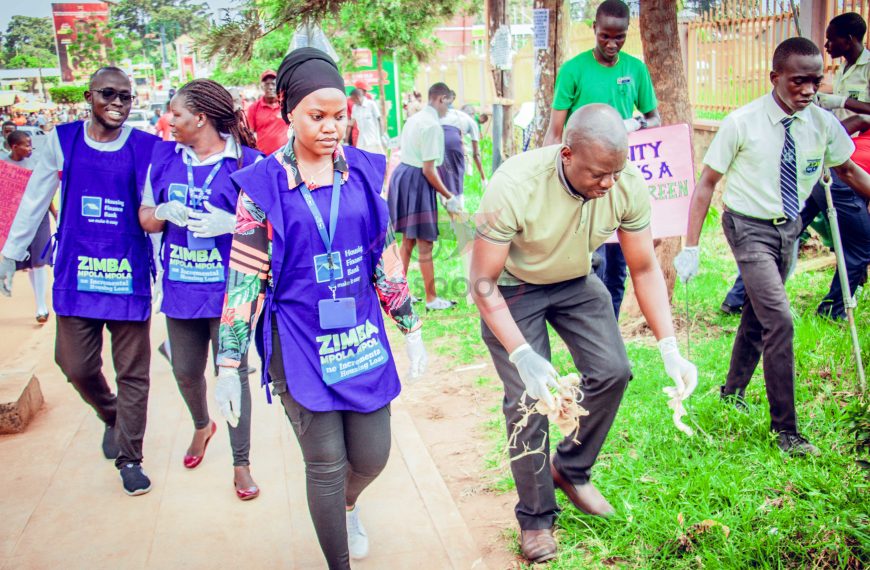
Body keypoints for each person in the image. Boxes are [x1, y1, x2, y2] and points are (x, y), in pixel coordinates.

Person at [214, 48, 428, 569]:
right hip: (298, 343)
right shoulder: (262, 188)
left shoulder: (361, 173)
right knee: (326, 465)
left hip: (359, 338)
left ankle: (348, 504)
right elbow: (243, 278)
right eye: (317, 115)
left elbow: (382, 257)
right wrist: (228, 363)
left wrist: (410, 326)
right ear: (288, 111)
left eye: (339, 115)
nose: (331, 127)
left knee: (372, 455)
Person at [471, 104, 696, 564]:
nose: (609, 184)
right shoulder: (515, 185)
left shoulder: (623, 182)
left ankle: (571, 469)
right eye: (598, 174)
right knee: (529, 400)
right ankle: (536, 518)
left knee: (614, 370)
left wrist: (669, 346)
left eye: (616, 172)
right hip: (512, 287)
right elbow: (482, 283)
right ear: (567, 153)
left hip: (574, 279)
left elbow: (644, 266)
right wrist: (522, 355)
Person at [674, 38, 870, 457]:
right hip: (747, 227)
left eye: (816, 81)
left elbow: (850, 171)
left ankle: (732, 390)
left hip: (790, 229)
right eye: (799, 81)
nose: (809, 90)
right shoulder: (742, 122)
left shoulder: (821, 124)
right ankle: (787, 432)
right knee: (779, 319)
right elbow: (706, 183)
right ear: (775, 78)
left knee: (758, 313)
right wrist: (690, 246)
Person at [0, 67, 159, 495]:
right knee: (74, 364)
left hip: (126, 275)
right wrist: (11, 253)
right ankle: (111, 414)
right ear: (89, 96)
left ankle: (131, 458)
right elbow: (35, 199)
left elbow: (155, 207)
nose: (118, 104)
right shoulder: (61, 140)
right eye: (109, 94)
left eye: (126, 97)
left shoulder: (146, 147)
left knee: (133, 373)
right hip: (76, 272)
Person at [138, 79, 262, 500]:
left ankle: (241, 463)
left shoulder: (247, 161)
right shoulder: (164, 157)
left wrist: (232, 224)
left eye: (176, 114)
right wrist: (161, 212)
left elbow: (273, 225)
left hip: (231, 293)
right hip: (181, 289)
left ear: (201, 117)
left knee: (232, 376)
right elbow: (145, 218)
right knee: (186, 371)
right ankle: (200, 425)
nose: (169, 121)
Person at [721, 12, 870, 320]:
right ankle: (832, 310)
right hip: (827, 166)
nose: (827, 44)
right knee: (853, 243)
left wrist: (835, 110)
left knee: (790, 230)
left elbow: (855, 120)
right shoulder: (842, 70)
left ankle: (739, 298)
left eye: (832, 39)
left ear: (850, 39)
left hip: (836, 158)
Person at [543, 0, 660, 320]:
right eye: (605, 36)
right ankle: (587, 328)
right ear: (593, 29)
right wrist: (546, 179)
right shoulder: (573, 70)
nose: (612, 43)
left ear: (627, 33)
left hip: (619, 181)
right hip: (582, 181)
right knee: (591, 262)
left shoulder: (635, 70)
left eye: (619, 37)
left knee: (618, 266)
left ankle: (609, 330)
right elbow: (555, 132)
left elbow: (654, 119)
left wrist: (633, 124)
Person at [387, 82, 463, 310]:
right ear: (440, 99)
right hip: (417, 181)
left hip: (402, 176)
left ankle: (399, 295)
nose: (448, 108)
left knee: (408, 241)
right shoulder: (432, 126)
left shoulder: (414, 118)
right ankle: (431, 299)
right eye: (448, 102)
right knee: (425, 243)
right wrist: (449, 196)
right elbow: (429, 170)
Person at [1, 131, 53, 323]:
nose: (30, 148)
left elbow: (45, 190)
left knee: (39, 261)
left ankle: (42, 307)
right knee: (29, 264)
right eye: (26, 145)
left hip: (39, 218)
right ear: (14, 147)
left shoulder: (36, 164)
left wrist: (55, 212)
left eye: (31, 144)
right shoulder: (3, 165)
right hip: (16, 220)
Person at [438, 98, 486, 208]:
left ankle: (444, 198)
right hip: (453, 143)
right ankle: (458, 207)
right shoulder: (471, 121)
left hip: (436, 141)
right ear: (473, 114)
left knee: (443, 173)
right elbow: (476, 154)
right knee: (457, 176)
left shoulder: (449, 114)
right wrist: (483, 178)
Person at [245, 69, 288, 155]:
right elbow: (250, 134)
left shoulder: (286, 106)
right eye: (267, 84)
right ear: (262, 87)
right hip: (264, 157)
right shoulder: (254, 108)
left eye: (273, 84)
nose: (270, 87)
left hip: (285, 155)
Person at [347, 87, 385, 155]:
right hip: (362, 139)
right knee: (362, 157)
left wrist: (382, 134)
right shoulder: (355, 107)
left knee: (379, 157)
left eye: (353, 99)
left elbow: (379, 119)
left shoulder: (371, 104)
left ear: (357, 97)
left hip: (374, 138)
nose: (352, 101)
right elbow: (352, 122)